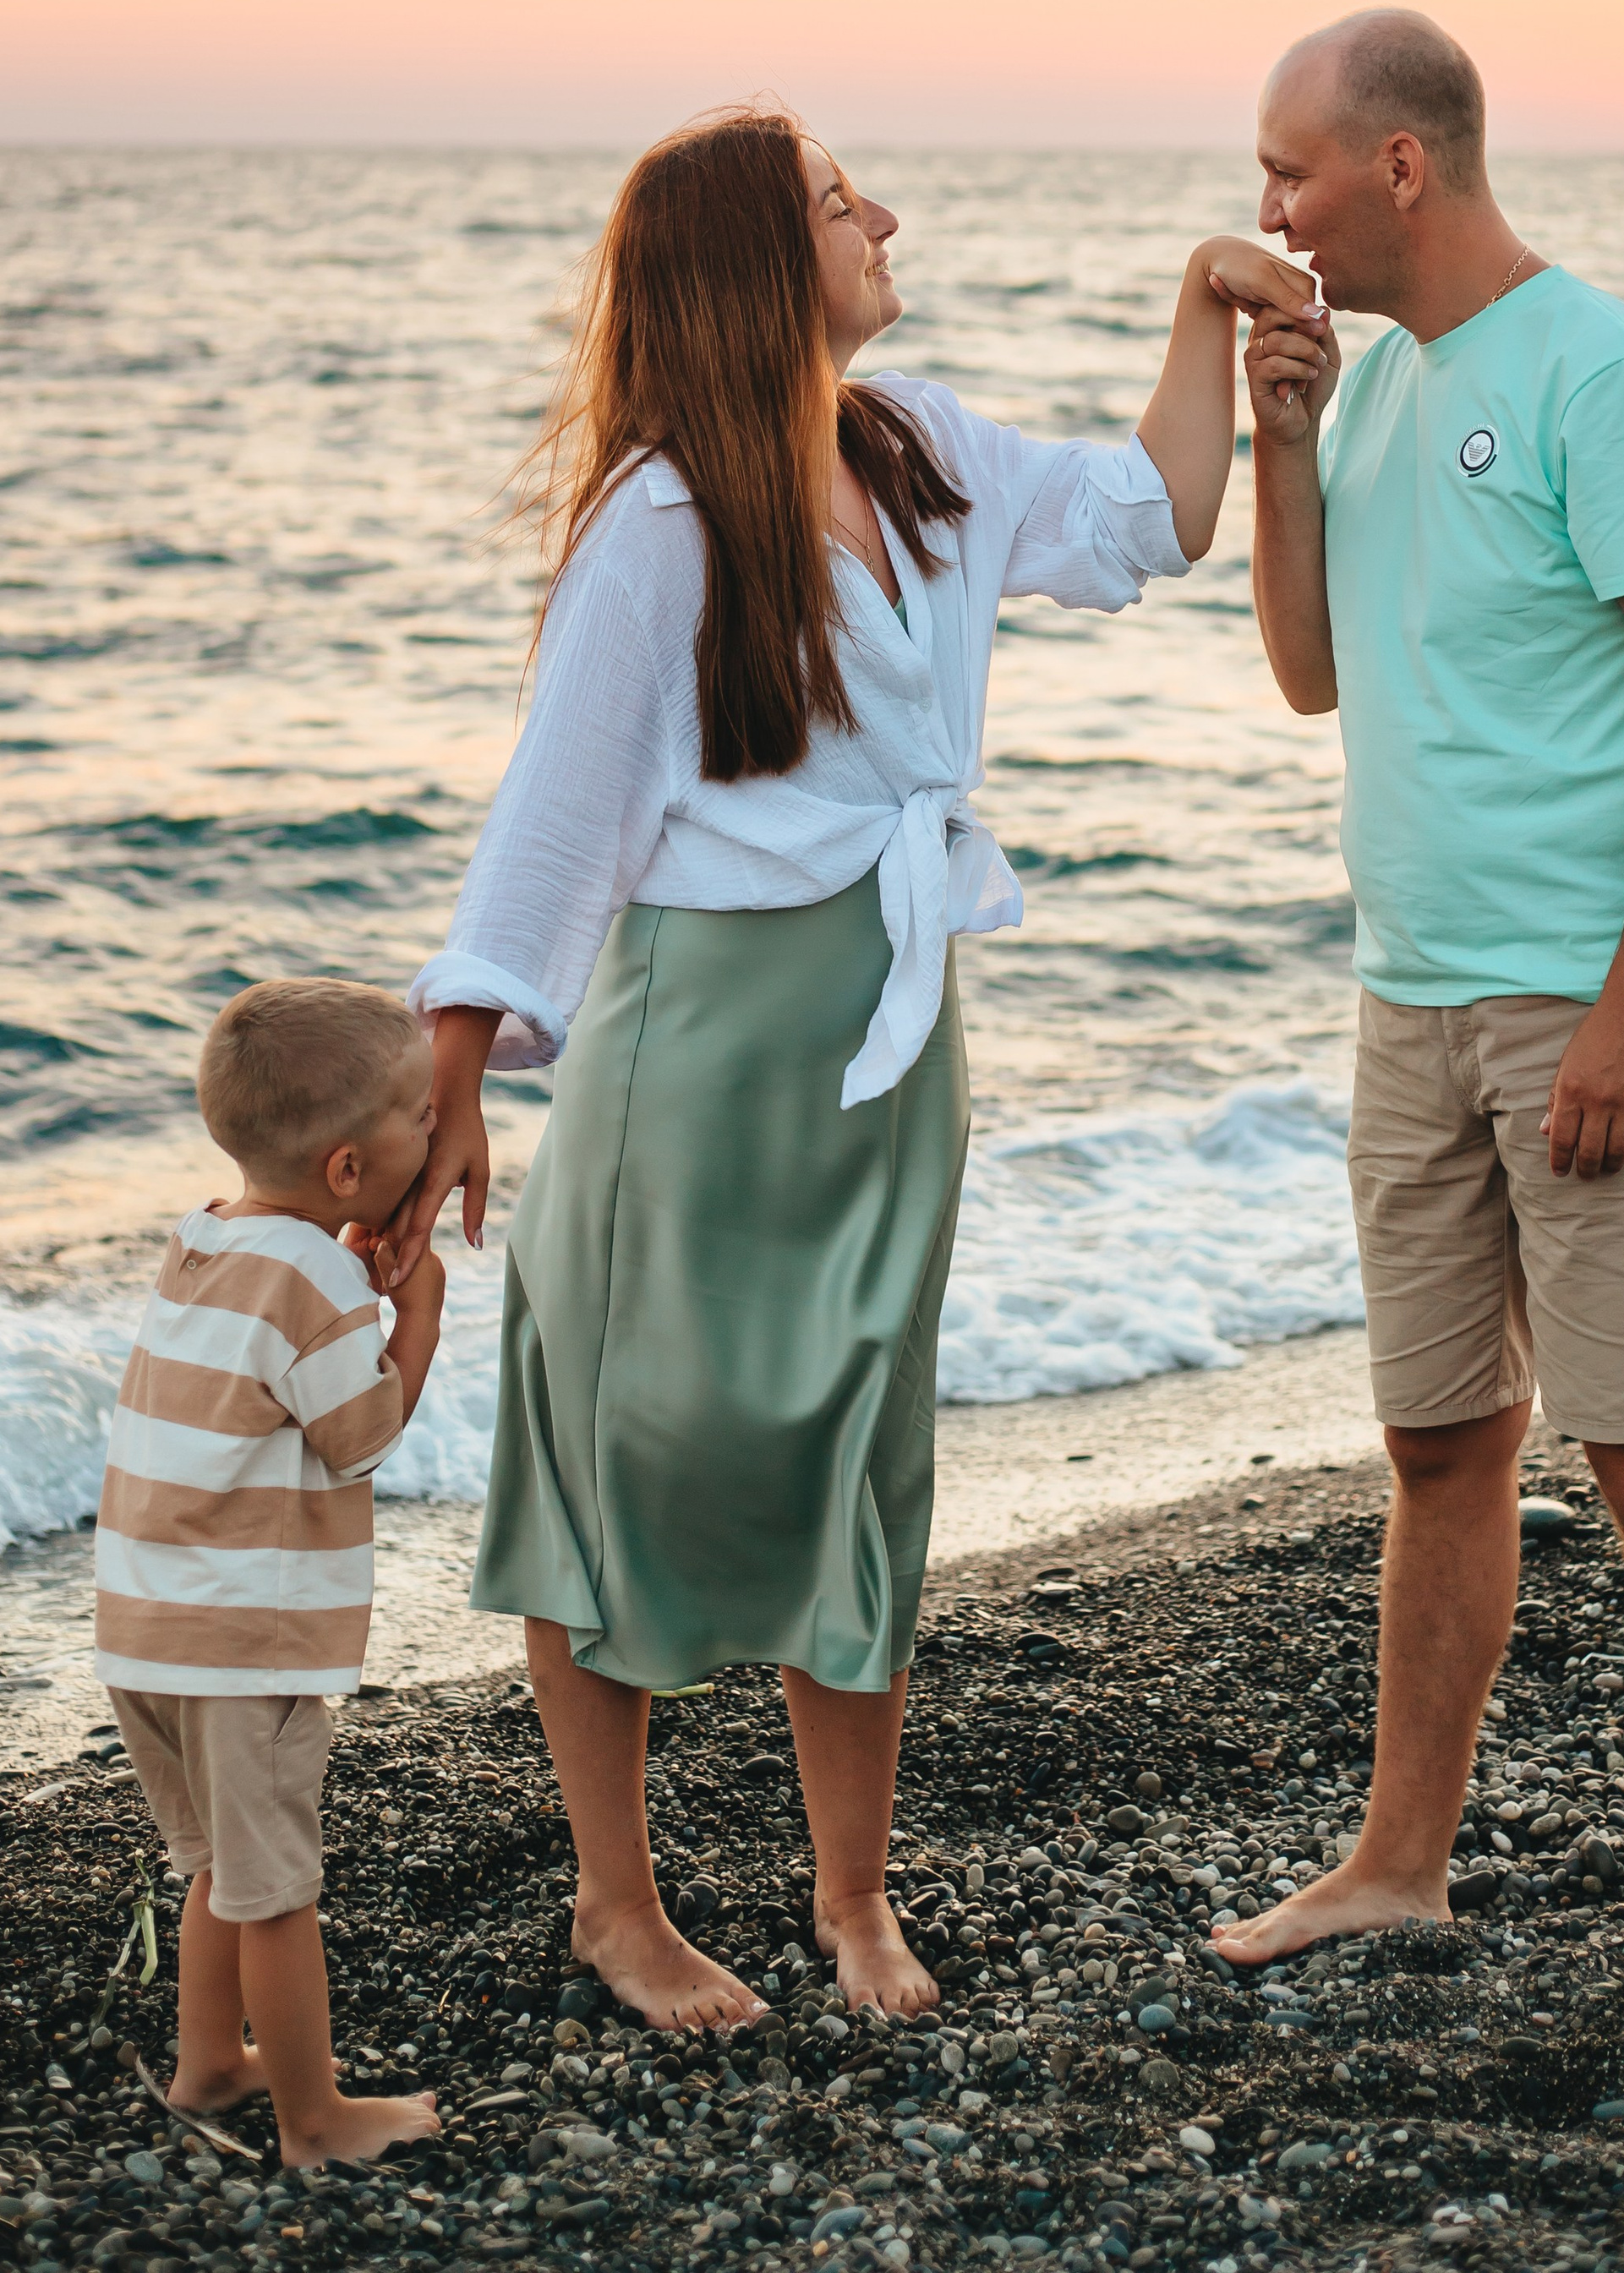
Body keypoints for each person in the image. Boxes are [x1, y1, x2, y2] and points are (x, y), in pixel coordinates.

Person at [391, 106, 1311, 2035]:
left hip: (890, 1039)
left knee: (858, 1450)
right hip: (699, 1052)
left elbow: (1155, 512)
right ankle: (616, 1903)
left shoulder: (918, 450)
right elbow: (553, 822)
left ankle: (850, 1897)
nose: (882, 214)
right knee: (621, 1445)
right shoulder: (659, 522)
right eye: (835, 200)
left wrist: (1202, 315)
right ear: (753, 259)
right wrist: (454, 1066)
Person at [1213, 10, 1624, 2001]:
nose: (1262, 205)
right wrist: (1281, 439)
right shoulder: (1372, 395)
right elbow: (1308, 672)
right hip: (1409, 1004)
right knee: (1439, 1444)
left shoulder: (1604, 377)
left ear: (1396, 166)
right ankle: (1395, 1861)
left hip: (1583, 1009)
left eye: (1288, 166)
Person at [92, 979, 447, 2162]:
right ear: (349, 1171)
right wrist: (418, 1318)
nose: (438, 1129)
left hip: (146, 1629)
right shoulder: (323, 1283)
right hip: (247, 1645)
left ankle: (209, 2060)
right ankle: (315, 2116)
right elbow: (363, 1438)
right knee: (278, 1888)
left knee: (211, 1866)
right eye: (419, 1115)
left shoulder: (204, 1237)